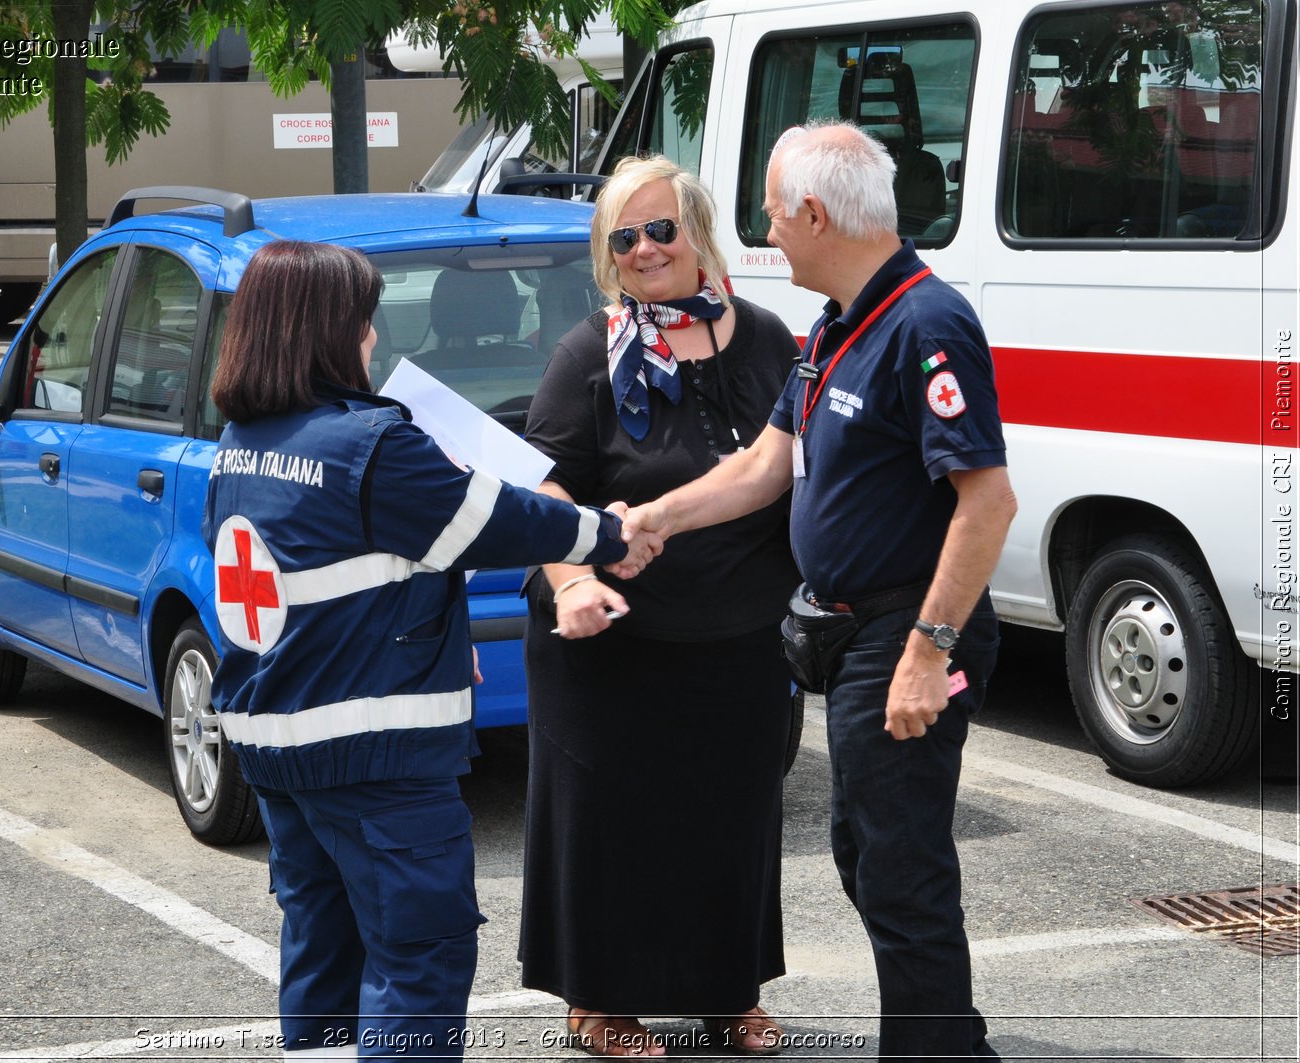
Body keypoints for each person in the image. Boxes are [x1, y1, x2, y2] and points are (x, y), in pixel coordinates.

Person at [201, 240, 654, 1063]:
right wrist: (608, 533)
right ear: (331, 332)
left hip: (276, 753)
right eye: (365, 320)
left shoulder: (240, 445)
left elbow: (326, 576)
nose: (374, 338)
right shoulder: (370, 445)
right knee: (420, 960)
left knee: (324, 954)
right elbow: (495, 520)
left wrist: (425, 628)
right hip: (375, 761)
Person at [621, 123, 1017, 1060]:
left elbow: (988, 501)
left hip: (902, 633)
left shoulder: (927, 323)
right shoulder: (839, 323)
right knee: (868, 856)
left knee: (900, 868)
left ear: (815, 212)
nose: (765, 228)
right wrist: (655, 517)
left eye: (771, 210)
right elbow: (766, 466)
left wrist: (929, 650)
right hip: (851, 636)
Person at [520, 155, 803, 1057]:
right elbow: (546, 491)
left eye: (661, 229)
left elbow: (795, 469)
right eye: (624, 237)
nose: (645, 250)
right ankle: (599, 1002)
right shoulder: (588, 353)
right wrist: (575, 581)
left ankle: (730, 992)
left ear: (699, 233)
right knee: (615, 828)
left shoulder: (767, 341)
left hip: (743, 636)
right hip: (616, 642)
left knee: (733, 819)